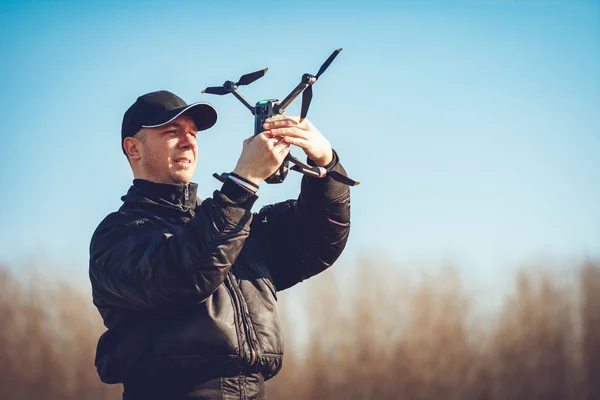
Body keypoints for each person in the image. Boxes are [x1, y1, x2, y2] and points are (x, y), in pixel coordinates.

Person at [89, 90, 353, 399]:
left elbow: (316, 244)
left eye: (192, 133)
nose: (188, 141)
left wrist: (326, 164)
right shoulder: (118, 235)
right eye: (172, 132)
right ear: (133, 148)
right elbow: (184, 276)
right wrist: (243, 183)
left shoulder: (228, 222)